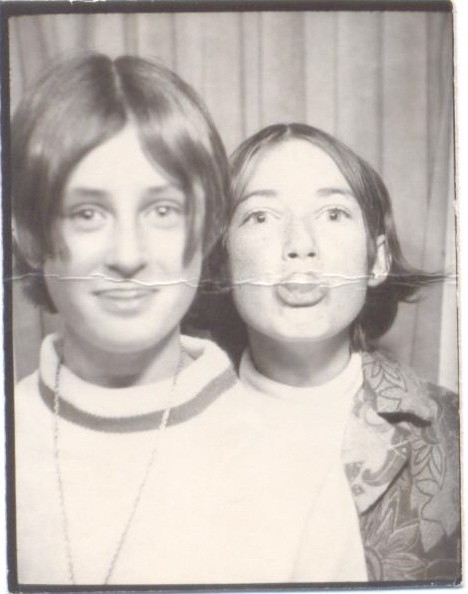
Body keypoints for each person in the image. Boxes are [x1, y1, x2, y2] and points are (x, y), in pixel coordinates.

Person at [11, 52, 251, 586]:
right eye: (87, 213)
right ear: (30, 235)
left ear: (209, 226)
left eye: (162, 210)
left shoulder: (288, 461)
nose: (127, 254)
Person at [222, 123, 460, 582]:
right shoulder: (171, 432)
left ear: (377, 260)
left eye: (333, 214)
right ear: (223, 259)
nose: (300, 245)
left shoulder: (453, 431)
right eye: (261, 216)